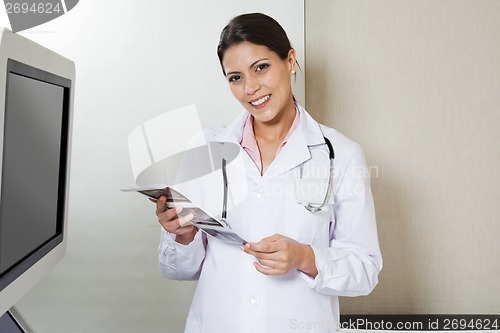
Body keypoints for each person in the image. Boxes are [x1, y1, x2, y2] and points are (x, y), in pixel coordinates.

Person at [155, 12, 382, 333]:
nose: (250, 88)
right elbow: (176, 270)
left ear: (290, 61)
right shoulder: (205, 147)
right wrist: (183, 234)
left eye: (261, 67)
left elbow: (365, 270)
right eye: (235, 77)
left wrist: (305, 257)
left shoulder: (341, 154)